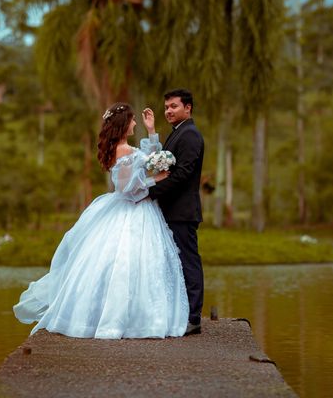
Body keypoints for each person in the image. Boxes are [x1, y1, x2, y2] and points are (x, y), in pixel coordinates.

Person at [13, 103, 189, 339]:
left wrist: (151, 131)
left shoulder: (122, 148)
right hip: (132, 209)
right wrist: (156, 180)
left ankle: (127, 316)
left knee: (133, 265)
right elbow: (127, 189)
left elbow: (146, 159)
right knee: (129, 264)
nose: (136, 123)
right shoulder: (124, 150)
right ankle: (131, 320)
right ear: (123, 124)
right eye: (133, 120)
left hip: (135, 208)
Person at [148, 89, 205, 335]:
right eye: (166, 108)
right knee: (173, 264)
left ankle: (193, 318)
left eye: (173, 106)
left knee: (188, 263)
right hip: (170, 211)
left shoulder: (190, 135)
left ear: (188, 108)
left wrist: (151, 191)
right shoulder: (177, 134)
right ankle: (178, 314)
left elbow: (182, 175)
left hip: (182, 212)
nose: (169, 111)